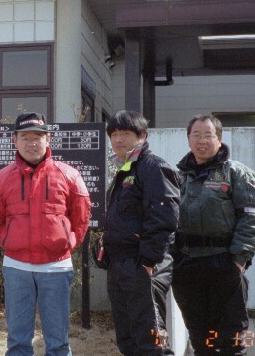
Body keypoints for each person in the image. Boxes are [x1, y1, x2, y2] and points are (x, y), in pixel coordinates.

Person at [0, 112, 91, 356]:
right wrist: (10, 242)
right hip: (16, 267)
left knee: (58, 341)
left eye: (37, 137)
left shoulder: (69, 174)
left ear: (48, 139)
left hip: (57, 267)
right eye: (25, 137)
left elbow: (81, 216)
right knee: (18, 341)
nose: (31, 143)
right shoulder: (1, 178)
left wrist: (67, 243)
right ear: (15, 141)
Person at [172, 115, 255, 356]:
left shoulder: (236, 173)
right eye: (196, 135)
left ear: (219, 138)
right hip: (187, 265)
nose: (201, 141)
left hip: (224, 263)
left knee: (231, 340)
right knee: (200, 339)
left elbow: (254, 215)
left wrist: (239, 259)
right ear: (188, 139)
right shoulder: (177, 176)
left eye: (208, 135)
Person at [103, 110, 180, 356]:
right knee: (127, 339)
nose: (118, 139)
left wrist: (149, 262)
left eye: (126, 133)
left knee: (151, 341)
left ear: (142, 136)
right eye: (114, 134)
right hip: (120, 265)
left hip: (142, 265)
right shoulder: (125, 169)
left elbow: (164, 218)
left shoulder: (153, 167)